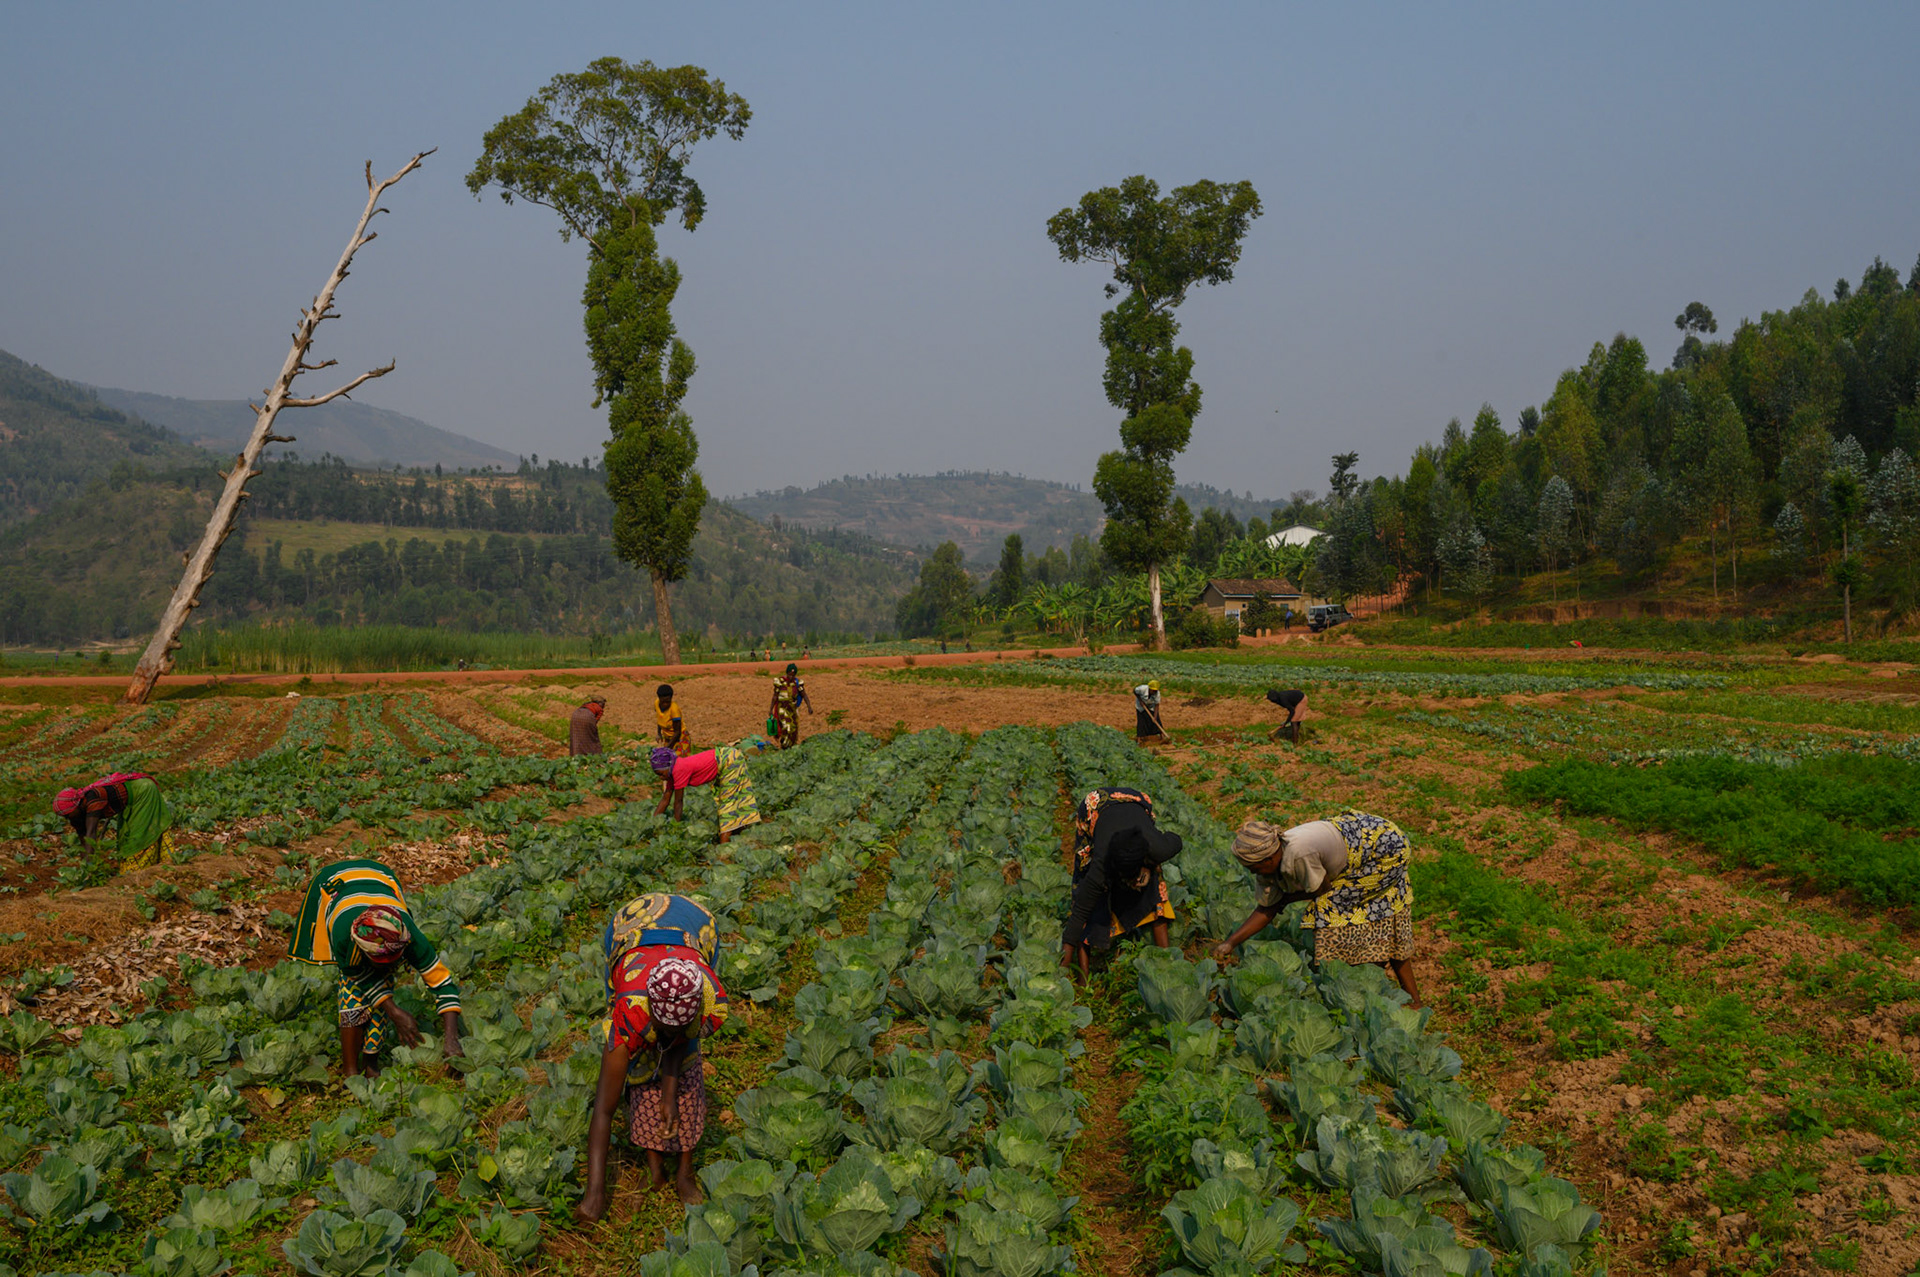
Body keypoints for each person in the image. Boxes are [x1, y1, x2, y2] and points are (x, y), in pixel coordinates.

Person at [578, 893, 728, 1216]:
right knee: (639, 1074)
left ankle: (684, 1172)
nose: (671, 1035)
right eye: (663, 1028)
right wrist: (594, 1195)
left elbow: (682, 1037)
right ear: (649, 1014)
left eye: (680, 1028)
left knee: (688, 1074)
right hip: (630, 931)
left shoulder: (706, 999)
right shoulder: (629, 1013)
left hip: (693, 924)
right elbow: (604, 1109)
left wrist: (671, 1092)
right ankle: (653, 1162)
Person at [1212, 815, 1421, 1007]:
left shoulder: (1299, 854)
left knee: (1331, 914)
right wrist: (1229, 943)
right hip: (1360, 846)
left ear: (1268, 859)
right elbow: (1266, 908)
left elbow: (1321, 889)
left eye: (1253, 868)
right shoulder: (1269, 863)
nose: (1252, 872)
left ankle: (1371, 984)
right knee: (1369, 922)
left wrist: (1283, 899)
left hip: (1384, 849)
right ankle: (1389, 990)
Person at [287, 858, 465, 1076]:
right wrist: (394, 1010)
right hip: (335, 884)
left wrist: (451, 1040)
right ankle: (350, 1070)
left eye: (394, 959)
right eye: (379, 959)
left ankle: (371, 1062)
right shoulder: (344, 935)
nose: (389, 965)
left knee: (384, 984)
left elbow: (441, 981)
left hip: (382, 878)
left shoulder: (406, 933)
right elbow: (360, 976)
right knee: (351, 991)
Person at [1060, 788, 1181, 982]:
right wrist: (1061, 969)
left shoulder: (1157, 848)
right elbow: (1079, 913)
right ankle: (1084, 978)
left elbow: (1176, 839)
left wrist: (1154, 840)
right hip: (1095, 807)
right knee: (1084, 883)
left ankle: (1168, 962)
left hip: (1135, 801)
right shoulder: (1101, 864)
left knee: (1156, 882)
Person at [651, 737, 773, 842]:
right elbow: (665, 798)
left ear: (668, 766)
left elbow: (678, 802)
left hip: (729, 760)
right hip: (725, 758)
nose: (661, 777)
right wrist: (653, 823)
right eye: (658, 775)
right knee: (729, 800)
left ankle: (724, 847)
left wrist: (676, 826)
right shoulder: (671, 772)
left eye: (661, 773)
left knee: (728, 804)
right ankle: (738, 831)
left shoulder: (679, 770)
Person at [53, 772, 175, 871]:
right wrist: (85, 866)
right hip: (128, 802)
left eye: (67, 814)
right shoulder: (76, 815)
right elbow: (83, 838)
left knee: (139, 833)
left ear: (76, 806)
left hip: (143, 791)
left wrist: (90, 870)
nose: (66, 818)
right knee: (124, 836)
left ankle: (143, 867)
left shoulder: (93, 798)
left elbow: (91, 834)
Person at [769, 663, 812, 749]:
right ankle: (784, 744)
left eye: (793, 675)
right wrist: (771, 709)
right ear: (787, 673)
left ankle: (789, 747)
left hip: (792, 709)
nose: (791, 677)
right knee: (787, 726)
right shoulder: (780, 682)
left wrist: (809, 706)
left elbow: (804, 695)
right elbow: (775, 696)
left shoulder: (797, 683)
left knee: (793, 730)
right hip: (782, 708)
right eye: (789, 674)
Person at [656, 684, 692, 755]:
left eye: (668, 702)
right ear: (659, 698)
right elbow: (660, 718)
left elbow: (677, 732)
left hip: (679, 738)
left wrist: (667, 748)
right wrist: (659, 733)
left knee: (679, 761)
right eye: (663, 702)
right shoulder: (656, 704)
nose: (665, 704)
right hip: (668, 738)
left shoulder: (674, 710)